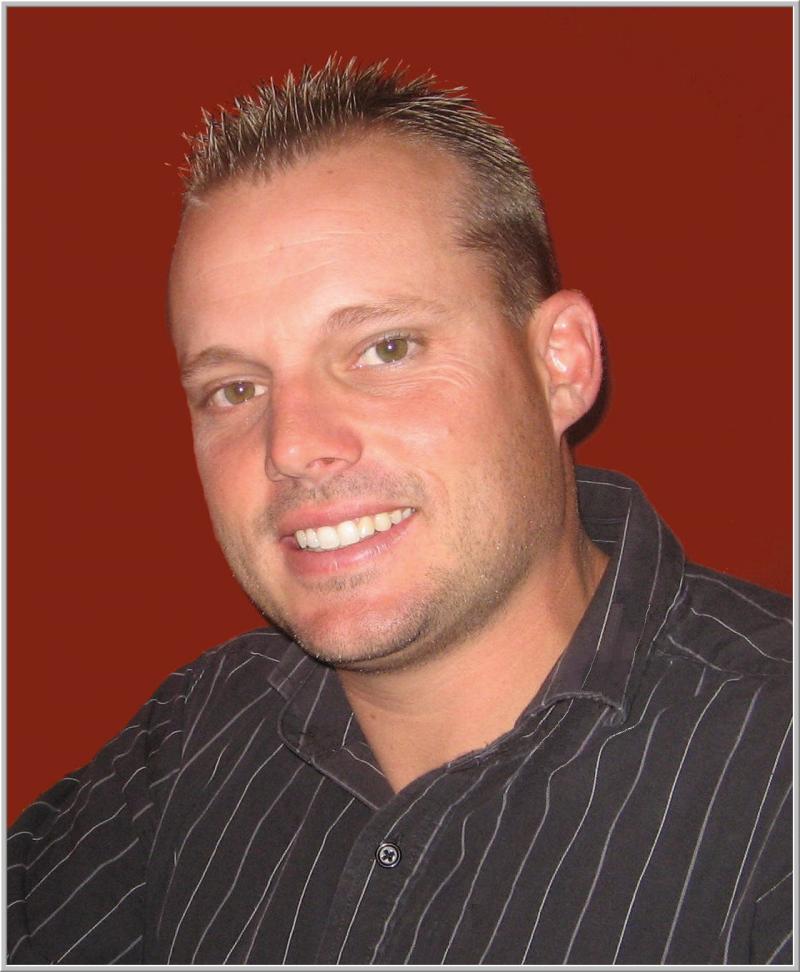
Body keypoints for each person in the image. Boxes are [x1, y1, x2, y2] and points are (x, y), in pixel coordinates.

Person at [7, 57, 792, 965]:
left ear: (561, 365)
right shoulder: (191, 743)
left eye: (385, 348)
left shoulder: (774, 770)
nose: (291, 445)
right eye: (235, 389)